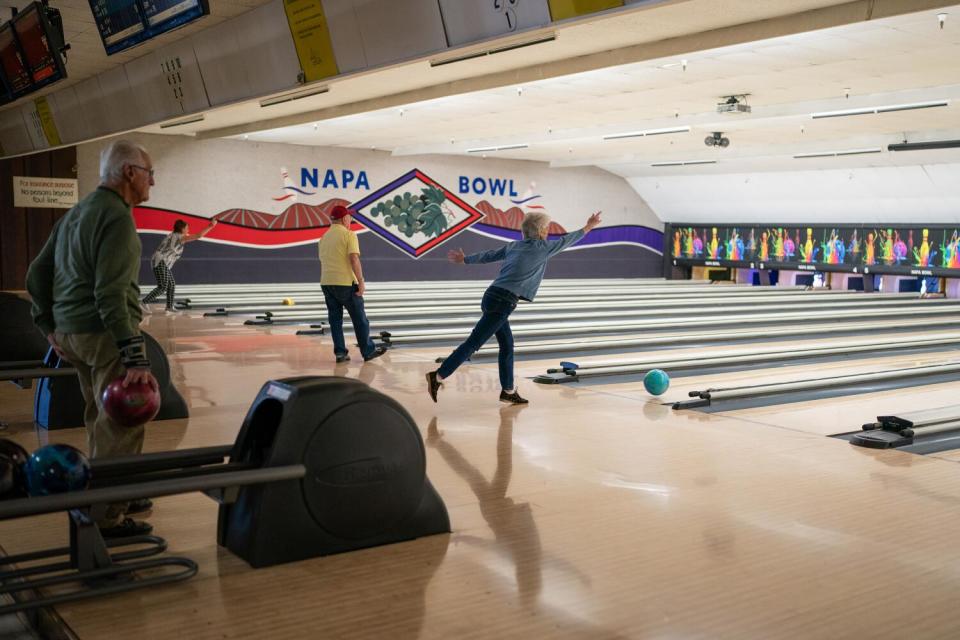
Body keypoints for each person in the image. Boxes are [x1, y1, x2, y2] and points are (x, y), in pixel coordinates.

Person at [26, 139, 159, 538]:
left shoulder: (77, 212)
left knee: (98, 415)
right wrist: (134, 355)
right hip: (104, 335)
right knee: (122, 423)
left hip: (71, 334)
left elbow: (36, 273)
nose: (153, 181)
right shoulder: (117, 218)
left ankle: (113, 487)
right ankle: (106, 517)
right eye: (150, 173)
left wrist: (47, 324)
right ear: (129, 173)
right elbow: (110, 295)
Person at [427, 210, 602, 404]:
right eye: (547, 227)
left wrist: (465, 259)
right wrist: (589, 225)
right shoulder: (543, 248)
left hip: (492, 295)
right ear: (542, 230)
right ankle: (438, 376)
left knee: (507, 345)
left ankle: (508, 391)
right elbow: (568, 240)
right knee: (474, 343)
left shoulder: (514, 246)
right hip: (503, 301)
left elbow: (489, 255)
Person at [319, 204, 387, 363]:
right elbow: (354, 258)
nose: (350, 219)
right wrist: (361, 281)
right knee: (360, 319)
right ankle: (368, 351)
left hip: (326, 283)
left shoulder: (323, 238)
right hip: (346, 283)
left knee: (335, 320)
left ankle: (340, 353)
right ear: (344, 219)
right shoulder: (349, 235)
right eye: (349, 217)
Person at [142, 218, 217, 313]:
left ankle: (169, 307)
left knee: (171, 284)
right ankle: (144, 302)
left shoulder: (173, 235)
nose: (188, 230)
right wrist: (211, 226)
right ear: (182, 229)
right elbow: (199, 235)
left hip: (162, 261)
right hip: (161, 260)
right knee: (163, 286)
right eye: (187, 228)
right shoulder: (180, 237)